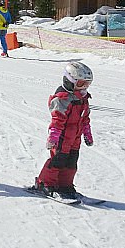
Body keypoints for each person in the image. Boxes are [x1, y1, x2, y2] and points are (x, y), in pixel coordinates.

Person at [32, 62, 94, 201]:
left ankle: (65, 185)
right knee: (58, 160)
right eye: (81, 84)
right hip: (62, 137)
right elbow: (56, 120)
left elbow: (85, 118)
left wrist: (87, 133)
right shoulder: (62, 99)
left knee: (71, 162)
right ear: (69, 81)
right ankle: (44, 183)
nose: (84, 88)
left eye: (87, 84)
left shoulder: (82, 98)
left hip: (75, 138)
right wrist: (53, 137)